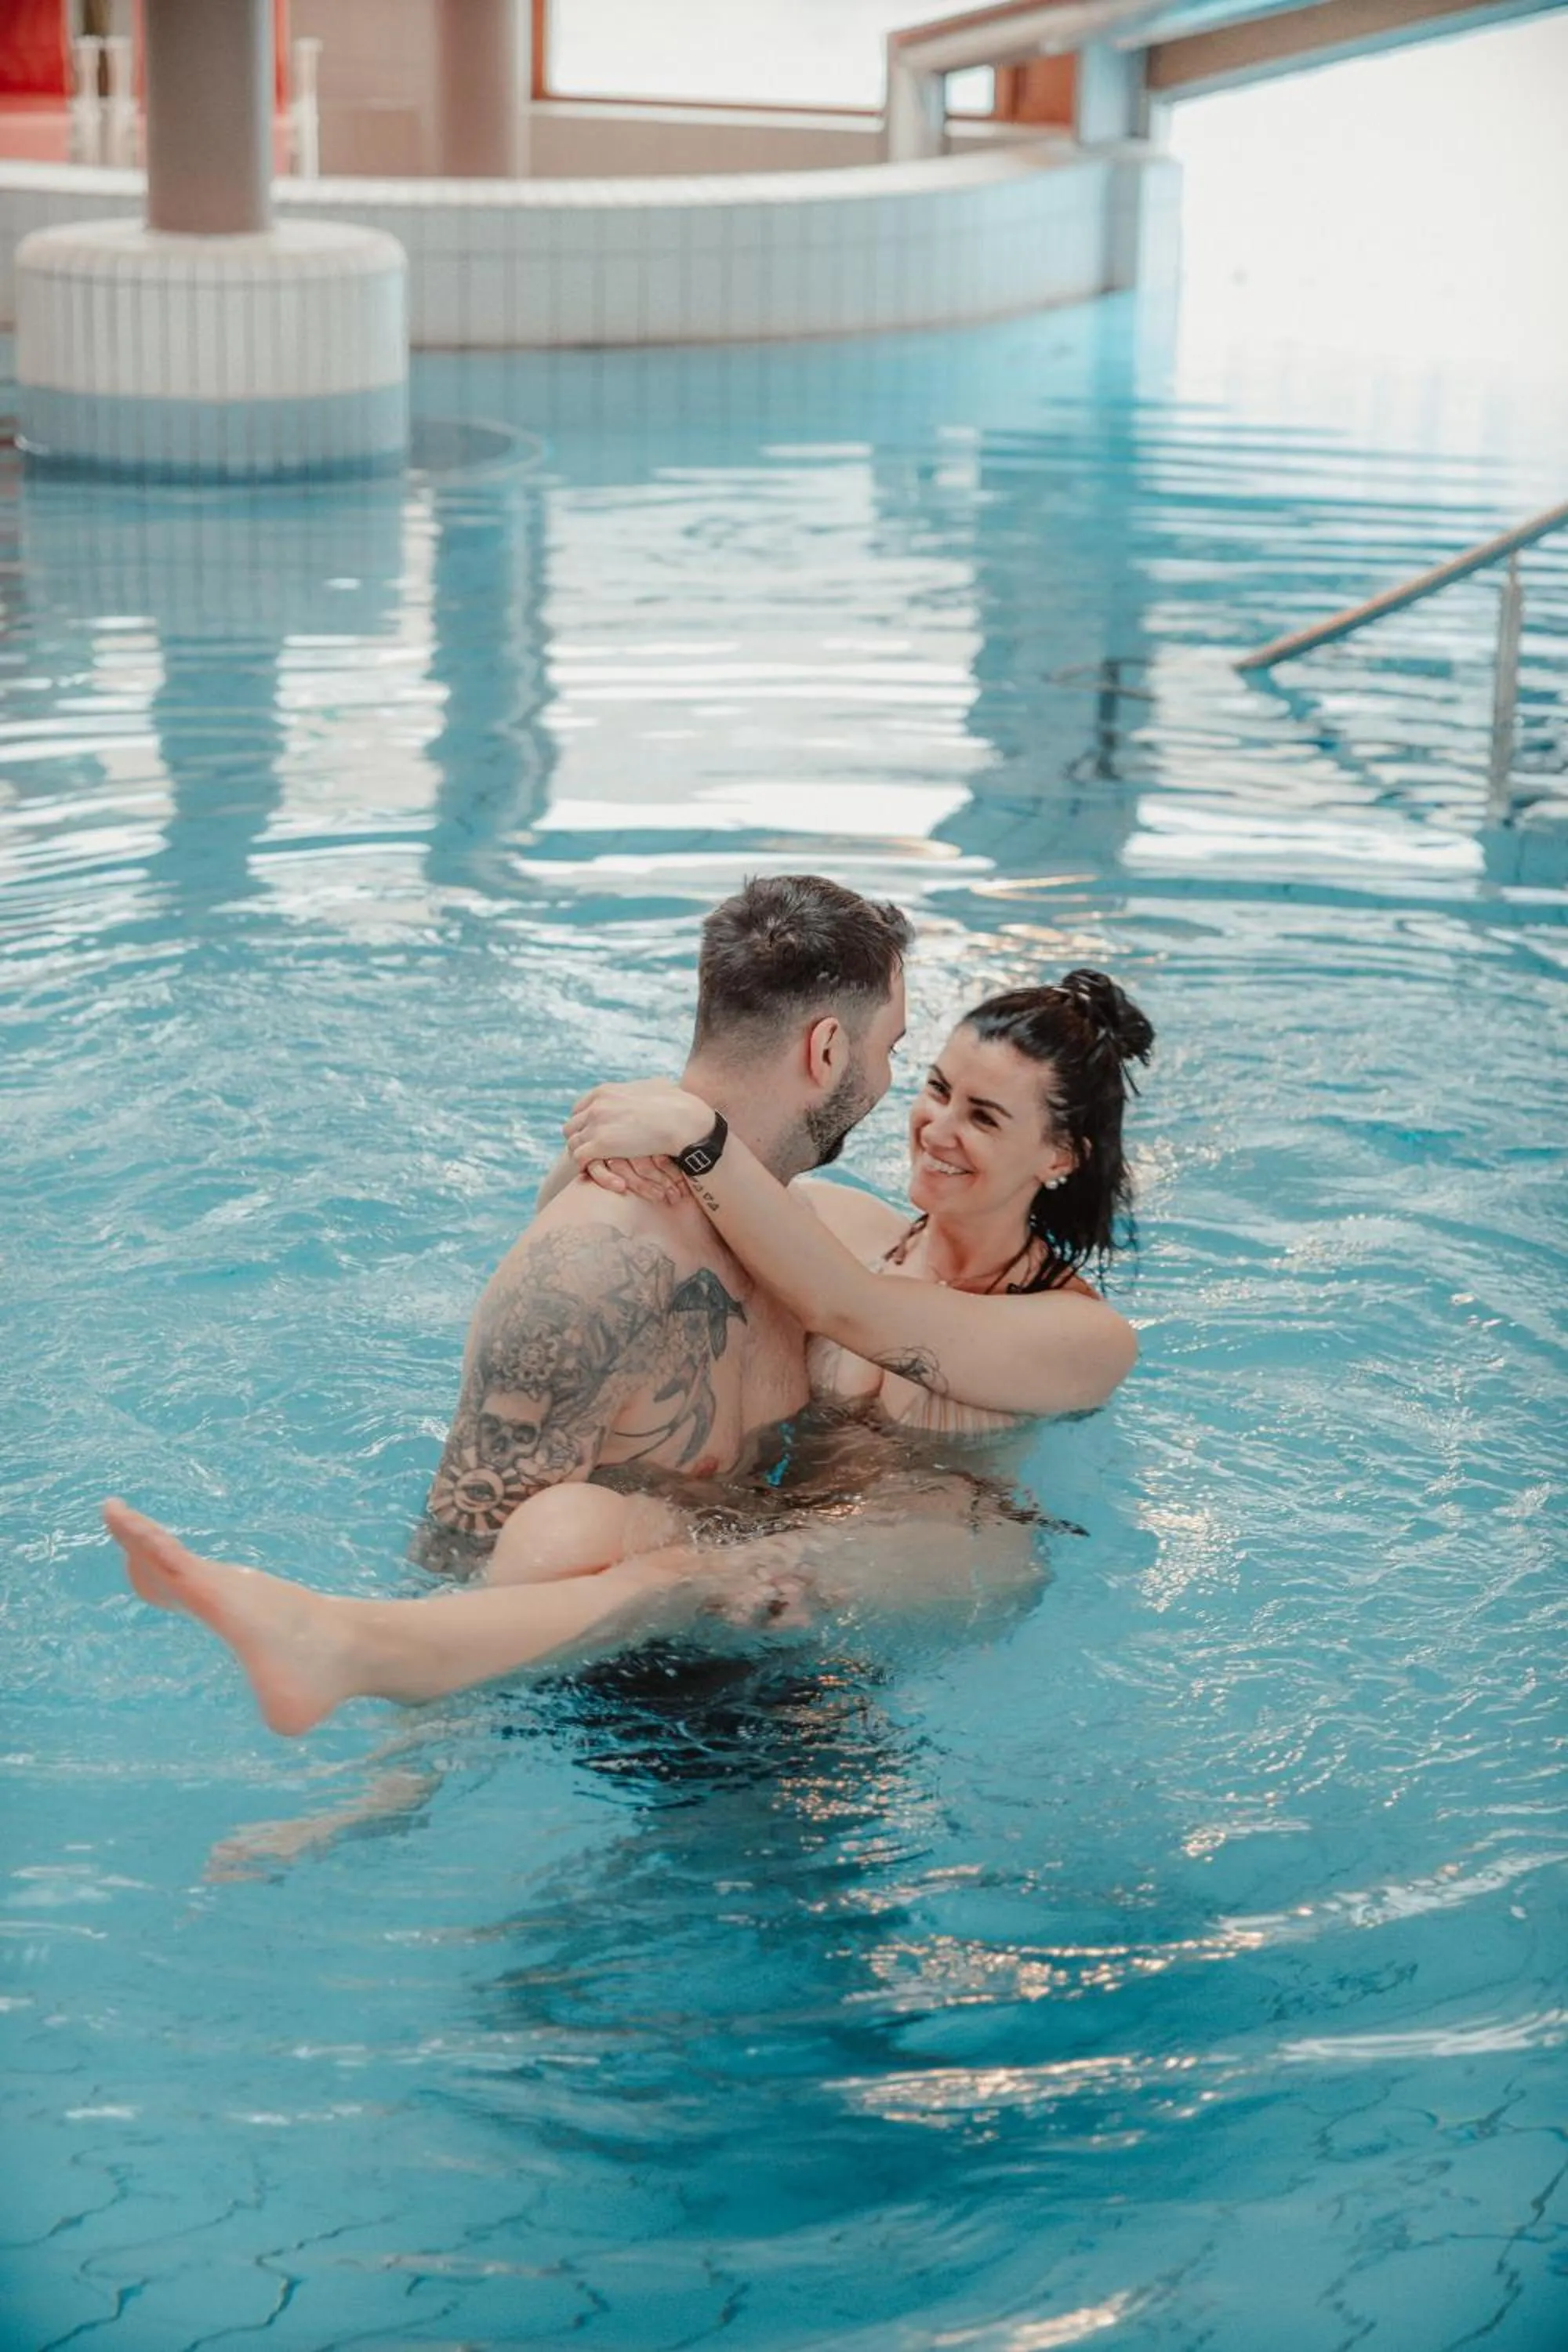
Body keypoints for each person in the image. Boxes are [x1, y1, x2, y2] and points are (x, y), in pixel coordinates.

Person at [103, 960, 1153, 1734]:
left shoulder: (1082, 1335)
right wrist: (598, 1164)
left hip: (944, 1542)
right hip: (783, 1508)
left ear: (1061, 1156)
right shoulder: (833, 1219)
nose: (934, 1126)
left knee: (689, 1583)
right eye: (931, 1087)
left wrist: (697, 1135)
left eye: (983, 1116)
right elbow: (630, 1239)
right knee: (559, 1526)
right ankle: (408, 1764)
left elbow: (858, 1317)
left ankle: (355, 1647)